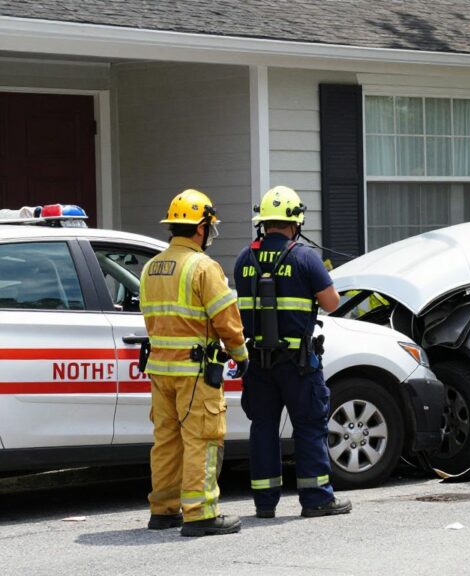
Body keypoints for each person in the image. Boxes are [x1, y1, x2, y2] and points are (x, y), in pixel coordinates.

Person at [234, 185, 351, 519]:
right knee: (310, 427)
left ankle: (264, 503)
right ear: (296, 221)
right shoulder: (303, 257)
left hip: (258, 362)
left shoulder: (245, 259)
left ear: (264, 223)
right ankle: (316, 499)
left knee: (263, 428)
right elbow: (331, 303)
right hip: (299, 363)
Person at [140, 189, 249, 537]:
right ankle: (200, 513)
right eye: (209, 227)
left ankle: (163, 510)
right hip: (196, 373)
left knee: (166, 442)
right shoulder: (203, 266)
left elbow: (151, 318)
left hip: (160, 371)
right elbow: (226, 319)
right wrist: (240, 354)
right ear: (200, 228)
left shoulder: (151, 268)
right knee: (202, 439)